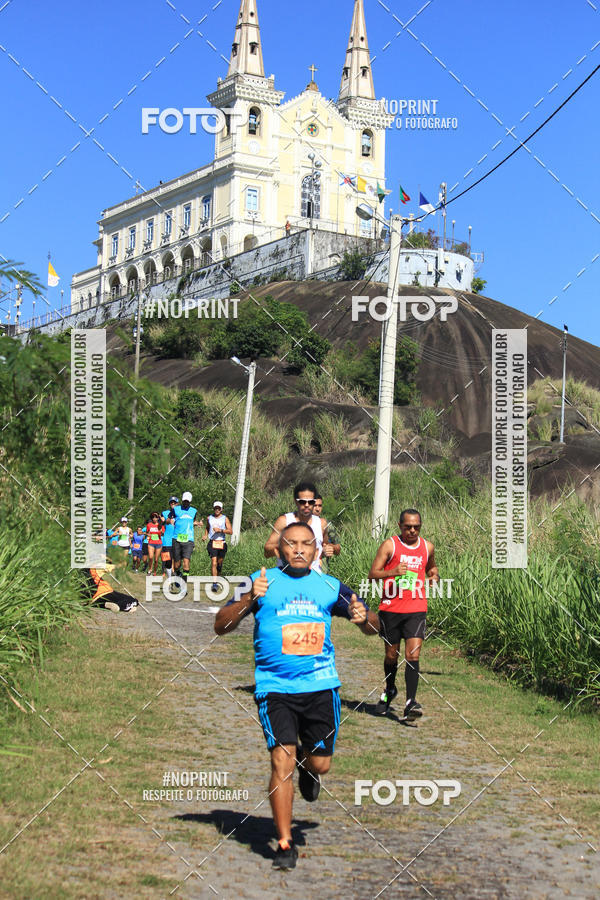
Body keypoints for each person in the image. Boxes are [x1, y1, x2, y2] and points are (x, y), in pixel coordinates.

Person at [215, 521, 379, 869]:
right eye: (292, 544)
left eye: (307, 544)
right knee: (280, 761)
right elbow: (221, 626)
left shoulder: (330, 587)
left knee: (321, 763)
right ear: (279, 549)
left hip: (321, 688)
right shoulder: (259, 581)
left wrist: (364, 618)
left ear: (317, 550)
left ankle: (310, 765)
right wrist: (247, 600)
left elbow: (373, 627)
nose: (300, 550)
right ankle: (285, 843)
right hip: (275, 688)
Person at [367, 508, 438, 720]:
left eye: (417, 527)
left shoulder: (427, 547)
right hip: (391, 609)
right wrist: (392, 572)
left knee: (413, 655)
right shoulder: (390, 545)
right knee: (391, 655)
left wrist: (435, 577)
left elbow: (432, 570)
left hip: (416, 608)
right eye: (408, 527)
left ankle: (410, 703)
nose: (413, 531)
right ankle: (390, 690)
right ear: (400, 526)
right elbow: (372, 575)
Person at [264, 482, 340, 571]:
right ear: (296, 501)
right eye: (303, 501)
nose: (307, 505)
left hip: (313, 578)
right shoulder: (284, 521)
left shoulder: (322, 523)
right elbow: (267, 551)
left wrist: (330, 548)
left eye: (311, 502)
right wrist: (286, 546)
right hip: (287, 576)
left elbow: (333, 548)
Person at [171, 491, 203, 585]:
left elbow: (191, 521)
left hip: (188, 539)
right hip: (176, 538)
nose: (186, 503)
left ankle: (184, 582)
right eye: (184, 501)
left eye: (187, 501)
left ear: (190, 501)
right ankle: (177, 574)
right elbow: (169, 518)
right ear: (182, 500)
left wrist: (197, 523)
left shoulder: (194, 511)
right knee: (177, 564)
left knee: (186, 561)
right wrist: (170, 521)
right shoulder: (176, 509)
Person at [202, 501, 233, 592]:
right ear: (213, 508)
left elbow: (230, 531)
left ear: (221, 509)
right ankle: (214, 584)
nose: (217, 510)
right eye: (216, 508)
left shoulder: (225, 518)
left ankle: (217, 578)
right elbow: (207, 527)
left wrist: (220, 530)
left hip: (222, 543)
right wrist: (205, 535)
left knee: (219, 564)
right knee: (214, 562)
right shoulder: (209, 518)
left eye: (219, 508)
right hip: (212, 543)